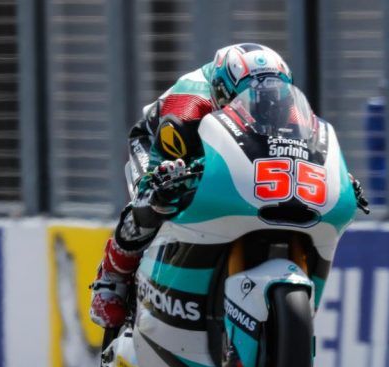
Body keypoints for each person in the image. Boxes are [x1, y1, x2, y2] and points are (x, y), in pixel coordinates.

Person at [89, 43, 369, 328]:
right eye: (252, 99)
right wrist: (163, 175)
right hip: (164, 143)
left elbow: (309, 149)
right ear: (223, 94)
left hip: (236, 143)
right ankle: (111, 278)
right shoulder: (187, 109)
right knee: (153, 199)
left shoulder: (283, 107)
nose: (265, 106)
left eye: (272, 98)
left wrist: (339, 178)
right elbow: (159, 167)